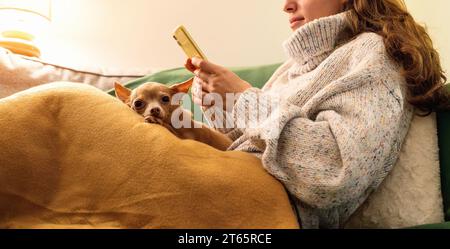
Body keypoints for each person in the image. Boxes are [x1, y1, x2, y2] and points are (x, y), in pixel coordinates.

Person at [184, 0, 449, 229]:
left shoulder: (371, 53)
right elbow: (256, 144)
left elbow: (335, 170)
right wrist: (221, 103)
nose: (286, 5)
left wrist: (245, 99)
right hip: (234, 185)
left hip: (267, 206)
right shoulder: (291, 68)